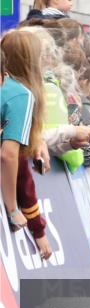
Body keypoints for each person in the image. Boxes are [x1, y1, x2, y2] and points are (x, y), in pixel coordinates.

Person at [1, 30, 53, 260]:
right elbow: (11, 157)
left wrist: (37, 138)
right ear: (30, 62)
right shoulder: (20, 95)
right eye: (40, 57)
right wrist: (14, 211)